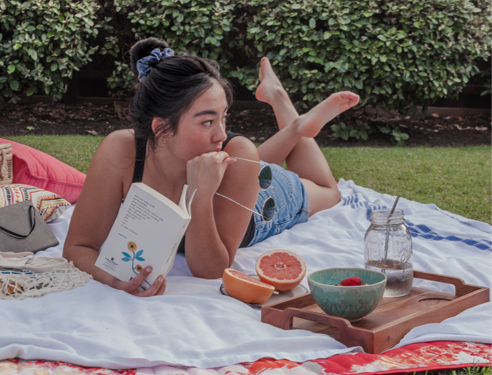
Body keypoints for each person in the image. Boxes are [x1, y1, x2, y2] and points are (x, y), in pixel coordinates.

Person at [63, 37, 360, 297]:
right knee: (247, 158)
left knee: (328, 192)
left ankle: (285, 108)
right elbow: (78, 246)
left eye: (223, 118)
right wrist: (113, 280)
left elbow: (210, 271)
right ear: (161, 128)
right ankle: (294, 125)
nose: (221, 134)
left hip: (262, 200)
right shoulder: (121, 151)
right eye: (207, 121)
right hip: (235, 170)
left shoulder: (235, 149)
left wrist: (199, 196)